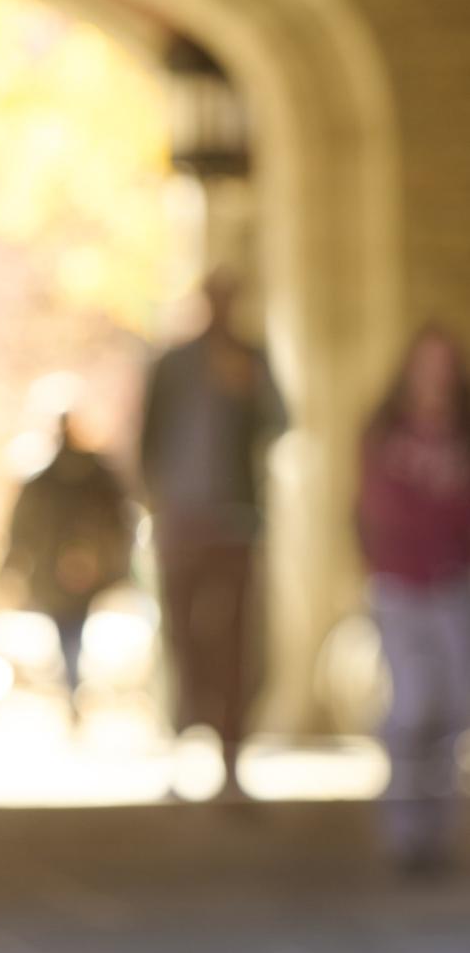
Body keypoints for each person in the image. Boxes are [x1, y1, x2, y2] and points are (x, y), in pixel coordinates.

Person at [139, 267, 286, 798]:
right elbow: (149, 438)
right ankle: (180, 755)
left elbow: (280, 422)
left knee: (235, 643)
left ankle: (231, 761)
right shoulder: (174, 364)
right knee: (184, 640)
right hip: (182, 523)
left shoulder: (251, 360)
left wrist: (247, 389)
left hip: (234, 521)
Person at [356, 324, 470, 876]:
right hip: (401, 585)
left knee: (453, 708)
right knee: (413, 705)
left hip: (455, 586)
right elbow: (377, 512)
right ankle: (403, 830)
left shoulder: (461, 437)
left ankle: (436, 833)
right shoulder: (385, 435)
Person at [3, 412, 132, 722]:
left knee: (70, 629)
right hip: (59, 568)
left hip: (78, 569)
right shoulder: (55, 478)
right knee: (68, 629)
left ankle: (73, 684)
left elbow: (118, 520)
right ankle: (72, 684)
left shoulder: (93, 476)